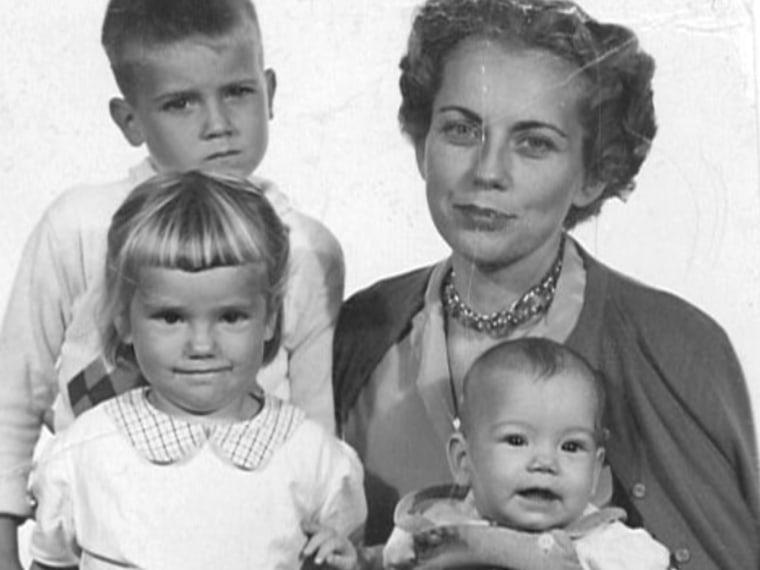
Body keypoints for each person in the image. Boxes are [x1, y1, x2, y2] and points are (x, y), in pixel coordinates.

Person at [333, 1, 760, 568]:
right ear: (421, 144)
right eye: (461, 129)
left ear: (593, 173)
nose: (487, 171)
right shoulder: (363, 331)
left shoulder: (676, 348)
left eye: (534, 142)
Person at [0, 0, 344, 566]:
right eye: (180, 102)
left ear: (271, 91)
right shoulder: (78, 226)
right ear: (129, 119)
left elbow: (315, 418)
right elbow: (16, 389)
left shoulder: (306, 248)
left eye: (237, 91)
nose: (218, 124)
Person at [27, 171, 364, 570]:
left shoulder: (314, 459)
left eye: (231, 317)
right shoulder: (83, 452)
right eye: (171, 318)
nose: (202, 346)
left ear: (270, 319)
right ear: (124, 321)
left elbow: (347, 550)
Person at [382, 338, 670, 569]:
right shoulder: (431, 529)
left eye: (571, 447)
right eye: (517, 440)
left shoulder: (612, 546)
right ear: (464, 460)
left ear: (595, 473)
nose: (545, 463)